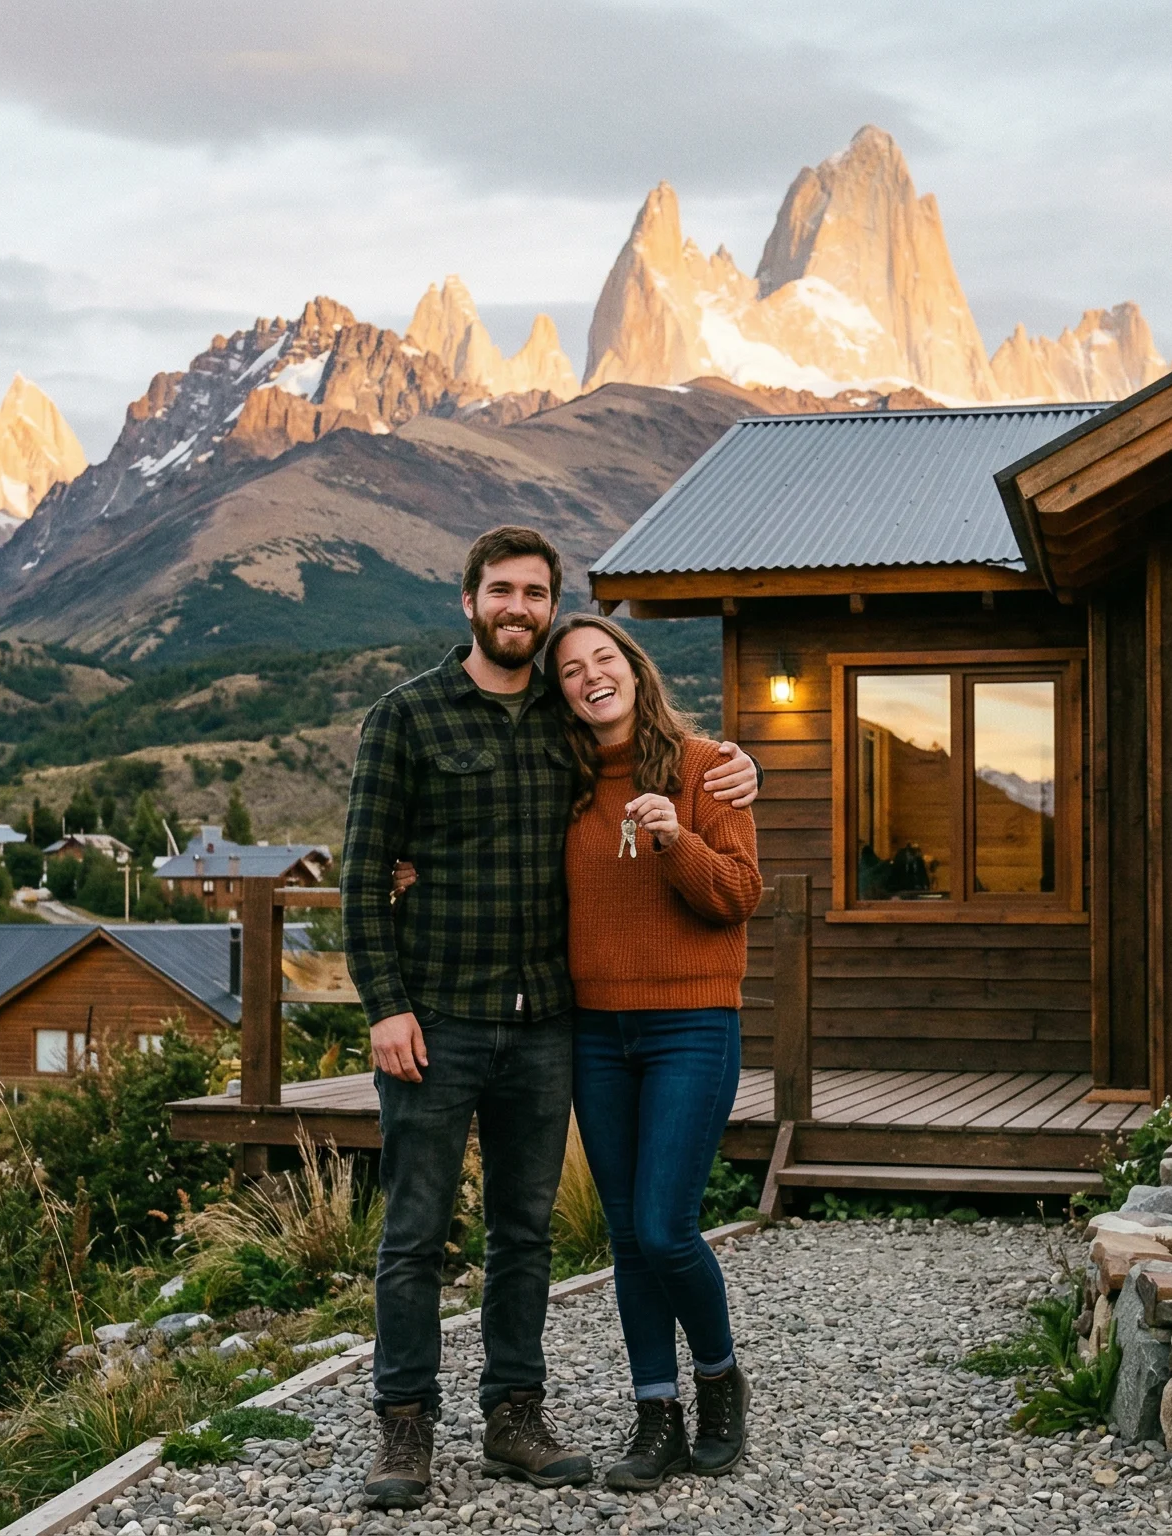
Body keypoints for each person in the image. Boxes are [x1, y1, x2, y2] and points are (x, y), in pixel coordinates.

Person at [341, 526, 757, 1510]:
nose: (519, 609)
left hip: (543, 1029)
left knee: (526, 1234)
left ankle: (513, 1419)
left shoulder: (562, 724)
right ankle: (404, 1432)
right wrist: (384, 1006)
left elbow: (670, 773)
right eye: (502, 592)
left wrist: (738, 771)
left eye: (537, 594)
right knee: (413, 1235)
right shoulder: (406, 718)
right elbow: (362, 875)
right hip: (437, 1022)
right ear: (469, 601)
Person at [546, 613, 761, 1489]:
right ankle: (653, 1414)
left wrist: (677, 837)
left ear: (634, 669)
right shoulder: (560, 783)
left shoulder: (710, 768)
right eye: (570, 671)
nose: (591, 676)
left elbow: (739, 895)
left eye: (605, 659)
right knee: (628, 1241)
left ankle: (719, 1381)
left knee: (666, 1226)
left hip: (691, 1023)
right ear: (558, 692)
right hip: (595, 1032)